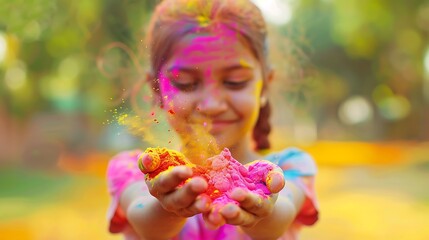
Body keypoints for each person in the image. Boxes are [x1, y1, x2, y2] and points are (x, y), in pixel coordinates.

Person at [106, 0, 318, 239]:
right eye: (185, 83)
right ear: (157, 91)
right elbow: (149, 225)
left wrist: (259, 201)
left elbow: (277, 219)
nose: (211, 105)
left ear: (265, 85)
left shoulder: (289, 168)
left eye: (235, 81)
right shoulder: (136, 172)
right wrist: (170, 207)